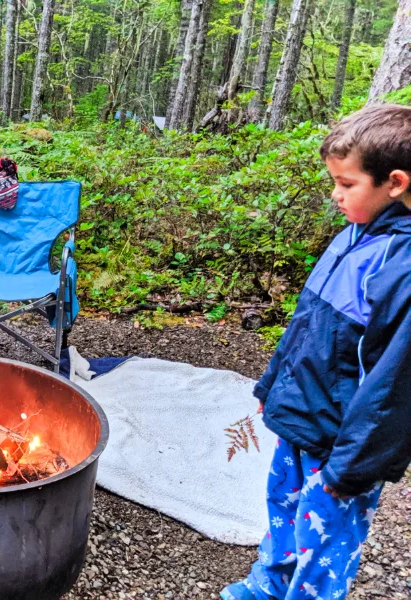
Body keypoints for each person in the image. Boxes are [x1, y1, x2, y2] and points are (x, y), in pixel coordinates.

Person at [222, 104, 411, 600]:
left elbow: (393, 387)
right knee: (283, 511)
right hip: (302, 414)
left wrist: (351, 469)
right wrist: (271, 384)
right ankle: (266, 587)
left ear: (394, 182)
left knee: (325, 541)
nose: (335, 194)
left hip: (342, 445)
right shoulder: (355, 234)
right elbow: (308, 321)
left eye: (346, 184)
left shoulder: (402, 264)